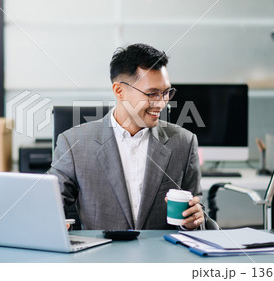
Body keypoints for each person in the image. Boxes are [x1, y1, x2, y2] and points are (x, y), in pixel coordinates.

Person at [48, 43, 205, 230]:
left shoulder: (184, 143)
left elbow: (199, 214)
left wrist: (193, 222)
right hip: (101, 256)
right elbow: (47, 207)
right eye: (152, 94)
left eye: (166, 93)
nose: (161, 103)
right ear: (119, 91)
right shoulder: (74, 143)